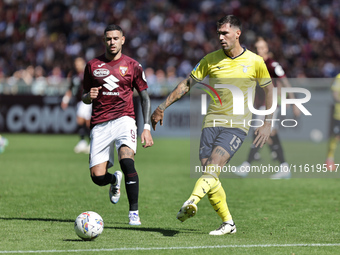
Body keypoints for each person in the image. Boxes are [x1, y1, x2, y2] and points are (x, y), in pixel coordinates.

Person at [151, 15, 273, 235]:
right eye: (218, 33)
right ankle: (229, 223)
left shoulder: (255, 61)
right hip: (211, 123)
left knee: (214, 164)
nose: (220, 37)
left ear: (238, 34)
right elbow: (187, 84)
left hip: (237, 125)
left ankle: (191, 200)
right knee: (209, 170)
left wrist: (267, 122)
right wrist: (163, 106)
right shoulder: (210, 59)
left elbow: (269, 89)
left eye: (225, 33)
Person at [82, 24, 154, 225]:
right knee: (97, 177)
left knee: (126, 160)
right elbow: (84, 95)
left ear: (123, 40)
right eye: (108, 39)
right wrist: (89, 96)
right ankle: (114, 180)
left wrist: (146, 127)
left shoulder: (133, 66)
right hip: (100, 123)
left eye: (115, 38)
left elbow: (145, 97)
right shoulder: (92, 65)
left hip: (125, 119)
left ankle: (134, 213)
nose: (112, 42)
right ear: (103, 41)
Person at [234, 37, 300, 179]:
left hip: (269, 105)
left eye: (261, 48)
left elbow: (285, 82)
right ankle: (283, 167)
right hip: (260, 105)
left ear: (266, 49)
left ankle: (246, 165)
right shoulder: (255, 64)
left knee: (261, 132)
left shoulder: (272, 64)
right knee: (270, 134)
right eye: (256, 48)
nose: (258, 50)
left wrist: (294, 102)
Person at [61, 57, 92, 154]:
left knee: (84, 121)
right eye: (76, 64)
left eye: (79, 63)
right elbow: (70, 89)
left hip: (87, 100)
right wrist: (65, 99)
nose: (77, 65)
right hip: (79, 101)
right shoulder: (74, 75)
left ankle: (89, 142)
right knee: (83, 121)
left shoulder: (88, 74)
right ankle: (84, 142)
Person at [325, 73, 340, 171]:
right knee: (335, 137)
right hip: (339, 114)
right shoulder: (339, 77)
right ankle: (329, 159)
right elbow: (335, 94)